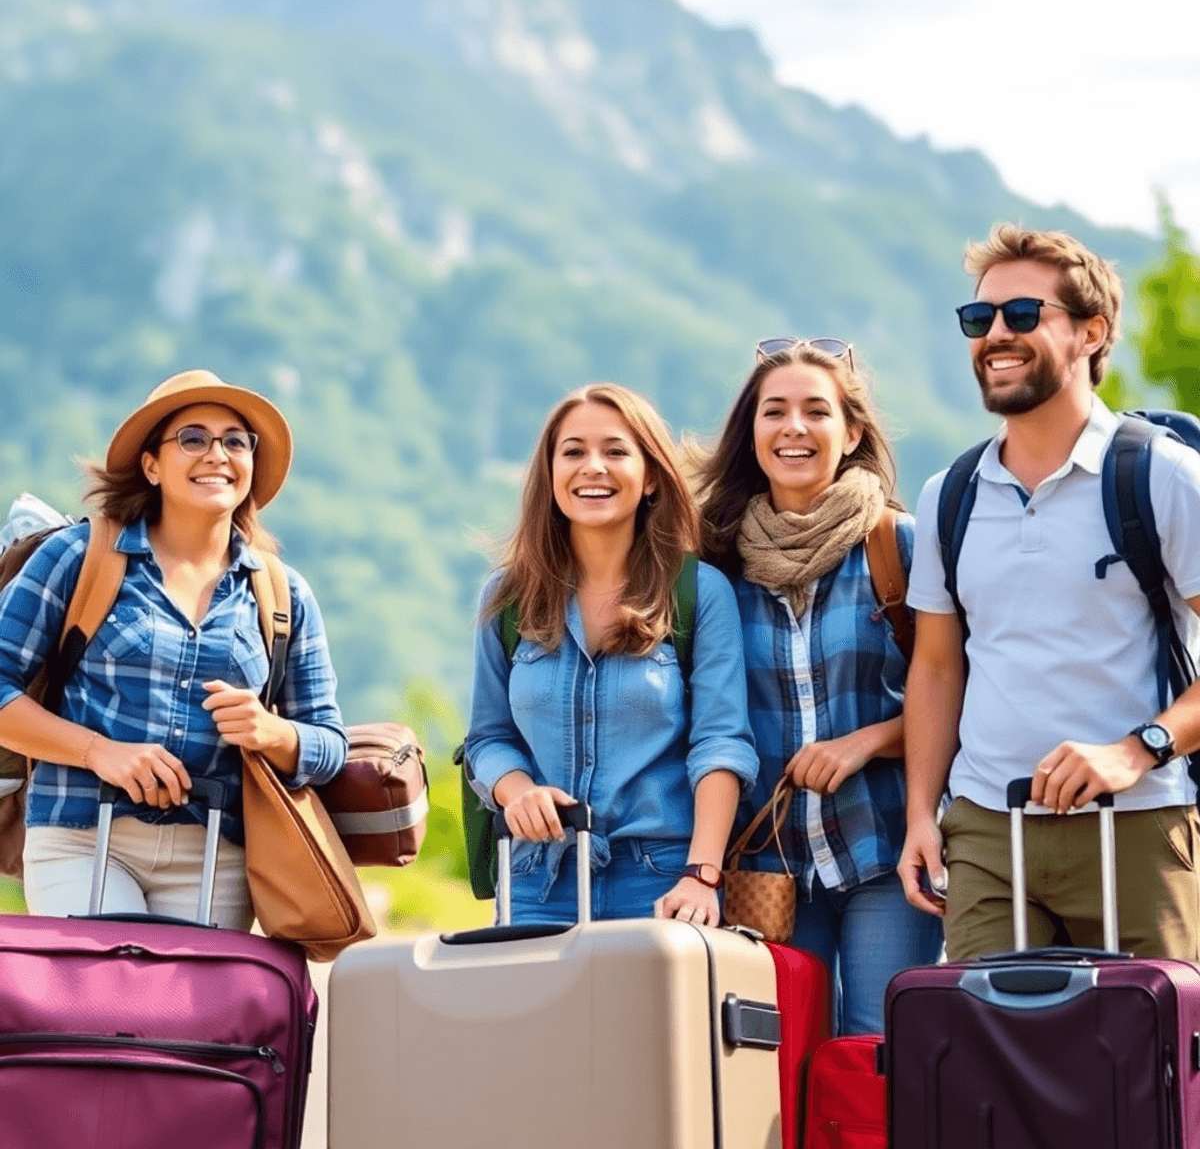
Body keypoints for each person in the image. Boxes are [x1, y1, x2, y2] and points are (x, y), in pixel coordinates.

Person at [899, 224, 1200, 960]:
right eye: (981, 319)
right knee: (985, 1065)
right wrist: (920, 815)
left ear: (1091, 333)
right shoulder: (950, 494)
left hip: (1136, 822)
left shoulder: (1162, 475)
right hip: (986, 830)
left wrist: (1139, 750)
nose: (996, 334)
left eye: (1024, 315)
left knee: (1152, 1064)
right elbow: (938, 668)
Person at [0, 369, 347, 929]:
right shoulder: (79, 556)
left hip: (220, 855)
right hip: (82, 837)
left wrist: (272, 732)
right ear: (152, 465)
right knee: (104, 1008)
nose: (217, 454)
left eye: (235, 441)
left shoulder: (282, 593)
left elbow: (329, 743)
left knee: (187, 1018)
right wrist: (98, 751)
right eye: (193, 438)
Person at [693, 337, 941, 1034]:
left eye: (815, 411)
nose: (793, 427)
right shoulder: (716, 566)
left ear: (852, 431)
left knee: (878, 1051)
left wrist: (867, 741)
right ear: (752, 432)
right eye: (774, 412)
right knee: (774, 1060)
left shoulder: (899, 548)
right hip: (763, 861)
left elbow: (960, 692)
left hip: (883, 847)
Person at [463, 383, 757, 926]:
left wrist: (702, 875)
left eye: (616, 451)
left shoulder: (698, 593)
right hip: (535, 880)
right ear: (550, 476)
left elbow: (721, 742)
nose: (592, 467)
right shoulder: (505, 598)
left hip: (662, 878)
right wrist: (518, 789)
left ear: (649, 477)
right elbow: (488, 738)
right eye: (573, 452)